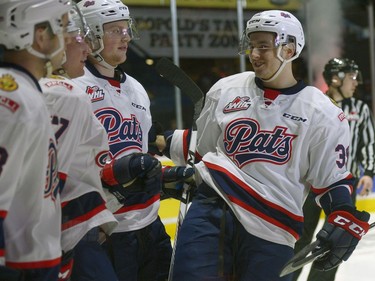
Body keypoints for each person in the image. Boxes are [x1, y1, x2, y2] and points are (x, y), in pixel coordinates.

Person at [165, 10, 371, 281]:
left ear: (289, 49)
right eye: (251, 45)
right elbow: (205, 151)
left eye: (264, 45)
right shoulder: (225, 90)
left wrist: (342, 212)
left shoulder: (322, 112)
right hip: (210, 214)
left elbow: (330, 180)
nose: (254, 54)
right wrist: (164, 142)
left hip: (274, 228)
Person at [73, 1, 172, 280]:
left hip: (150, 224)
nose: (126, 36)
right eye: (115, 30)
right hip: (105, 230)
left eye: (126, 28)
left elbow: (141, 152)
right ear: (90, 35)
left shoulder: (136, 88)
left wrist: (164, 177)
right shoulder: (73, 89)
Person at [39, 5, 119, 281]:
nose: (87, 49)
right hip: (68, 227)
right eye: (80, 38)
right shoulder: (67, 94)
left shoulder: (34, 88)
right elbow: (53, 179)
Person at [0, 0, 71, 280]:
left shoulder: (26, 91)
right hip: (19, 266)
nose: (67, 39)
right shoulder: (12, 95)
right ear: (40, 36)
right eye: (61, 29)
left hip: (32, 261)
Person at [292, 58, 375, 281]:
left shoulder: (360, 108)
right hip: (311, 185)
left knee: (336, 242)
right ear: (336, 78)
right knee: (300, 237)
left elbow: (368, 143)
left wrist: (368, 172)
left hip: (345, 186)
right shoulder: (315, 105)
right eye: (352, 77)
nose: (356, 83)